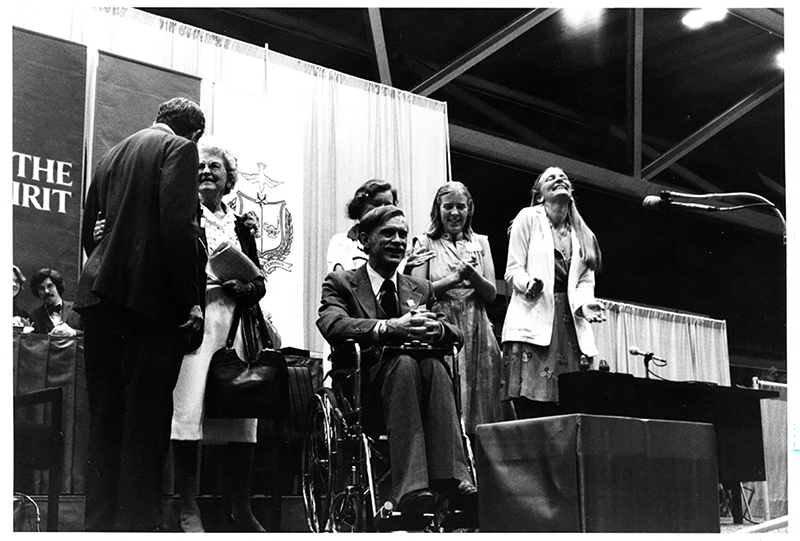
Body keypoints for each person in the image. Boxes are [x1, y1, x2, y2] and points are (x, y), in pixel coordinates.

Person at [74, 97, 205, 532]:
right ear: (195, 133)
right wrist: (190, 298)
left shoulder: (111, 153)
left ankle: (99, 527)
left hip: (99, 300)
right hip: (149, 307)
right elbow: (177, 227)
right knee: (145, 427)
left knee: (105, 422)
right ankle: (136, 528)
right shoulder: (180, 150)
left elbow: (90, 228)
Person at [317, 205, 477, 524]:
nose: (398, 240)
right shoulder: (342, 282)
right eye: (388, 233)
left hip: (421, 388)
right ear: (365, 239)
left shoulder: (419, 288)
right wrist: (386, 328)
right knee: (403, 362)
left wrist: (439, 329)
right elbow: (330, 322)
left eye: (403, 234)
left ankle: (450, 479)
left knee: (433, 364)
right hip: (365, 390)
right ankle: (411, 490)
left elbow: (454, 333)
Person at [169, 141, 269, 533]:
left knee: (244, 411)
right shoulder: (180, 213)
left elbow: (259, 281)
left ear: (229, 179)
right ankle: (187, 506)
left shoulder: (242, 225)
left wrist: (243, 287)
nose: (207, 171)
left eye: (216, 167)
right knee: (188, 409)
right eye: (201, 166)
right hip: (196, 320)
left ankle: (240, 507)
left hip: (237, 320)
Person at [501, 166, 606, 419]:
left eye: (564, 177)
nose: (559, 179)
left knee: (570, 404)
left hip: (568, 324)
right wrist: (528, 284)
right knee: (533, 408)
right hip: (534, 319)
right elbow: (513, 269)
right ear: (540, 195)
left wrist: (585, 305)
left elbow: (584, 282)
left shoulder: (584, 234)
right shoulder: (528, 218)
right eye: (551, 177)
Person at [411, 182, 504, 435]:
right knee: (449, 398)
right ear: (437, 209)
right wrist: (454, 278)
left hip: (478, 329)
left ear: (469, 210)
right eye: (448, 206)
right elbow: (419, 293)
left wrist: (473, 276)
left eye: (460, 207)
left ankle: (481, 464)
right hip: (444, 324)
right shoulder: (425, 242)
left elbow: (491, 294)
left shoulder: (481, 242)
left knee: (483, 401)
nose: (454, 213)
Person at [326, 179, 435, 272]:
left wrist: (406, 269)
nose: (384, 211)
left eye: (388, 205)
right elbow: (344, 284)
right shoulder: (342, 242)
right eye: (376, 205)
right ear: (360, 208)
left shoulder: (399, 244)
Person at [28, 268, 82, 336]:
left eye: (50, 286)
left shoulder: (77, 310)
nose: (46, 291)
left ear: (58, 287)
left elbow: (92, 335)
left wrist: (74, 332)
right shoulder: (34, 316)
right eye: (41, 288)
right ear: (37, 292)